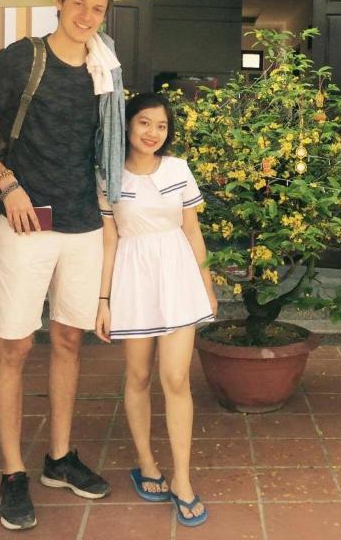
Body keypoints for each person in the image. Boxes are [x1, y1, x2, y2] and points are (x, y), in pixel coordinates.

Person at [0, 0, 125, 530]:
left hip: (82, 222)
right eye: (78, 4)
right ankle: (12, 472)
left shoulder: (105, 71)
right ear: (59, 1)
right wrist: (6, 184)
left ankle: (59, 457)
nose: (86, 17)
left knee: (69, 342)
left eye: (97, 9)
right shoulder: (21, 59)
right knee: (12, 347)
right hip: (25, 222)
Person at [95, 92, 217, 528]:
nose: (152, 133)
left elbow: (193, 231)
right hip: (132, 277)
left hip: (178, 276)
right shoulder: (107, 175)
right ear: (128, 126)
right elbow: (109, 240)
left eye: (161, 126)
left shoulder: (178, 169)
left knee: (177, 377)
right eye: (144, 123)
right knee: (138, 376)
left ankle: (182, 479)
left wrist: (207, 283)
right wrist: (104, 300)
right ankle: (147, 463)